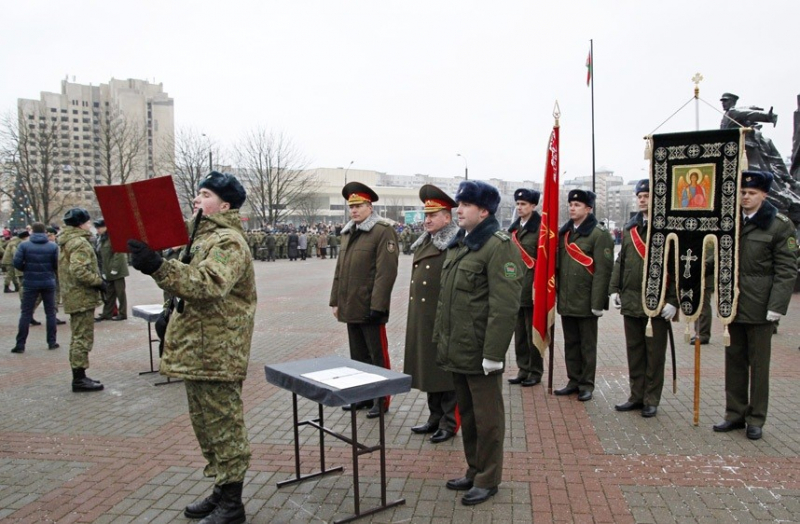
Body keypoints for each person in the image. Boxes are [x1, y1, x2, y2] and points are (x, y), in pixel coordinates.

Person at [128, 171, 256, 522]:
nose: (197, 199)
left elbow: (209, 284)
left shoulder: (228, 241)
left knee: (224, 426)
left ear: (224, 205)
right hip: (196, 348)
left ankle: (233, 504)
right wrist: (169, 313)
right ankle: (220, 488)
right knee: (205, 425)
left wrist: (158, 267)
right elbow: (185, 286)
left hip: (217, 350)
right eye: (197, 194)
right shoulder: (198, 239)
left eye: (205, 194)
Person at [434, 180, 522, 506]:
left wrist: (494, 353)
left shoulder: (498, 246)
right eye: (459, 204)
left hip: (481, 351)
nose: (458, 210)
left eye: (465, 205)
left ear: (483, 210)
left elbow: (505, 305)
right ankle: (474, 469)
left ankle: (488, 479)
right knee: (468, 416)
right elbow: (448, 300)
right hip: (459, 347)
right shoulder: (462, 243)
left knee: (487, 419)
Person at [712, 171, 797, 440]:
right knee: (734, 362)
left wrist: (777, 306)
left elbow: (786, 270)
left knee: (759, 366)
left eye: (751, 193)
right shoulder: (730, 222)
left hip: (761, 307)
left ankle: (756, 418)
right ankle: (734, 414)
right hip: (733, 304)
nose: (746, 197)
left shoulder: (779, 225)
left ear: (764, 195)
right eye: (743, 193)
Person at [329, 181, 399, 418]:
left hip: (370, 307)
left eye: (359, 206)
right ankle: (362, 396)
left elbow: (385, 272)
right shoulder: (349, 232)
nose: (354, 211)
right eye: (351, 207)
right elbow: (340, 269)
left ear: (370, 206)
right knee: (357, 357)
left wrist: (378, 306)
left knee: (376, 356)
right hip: (351, 305)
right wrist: (335, 301)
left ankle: (381, 400)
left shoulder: (382, 231)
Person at [609, 180, 678, 418]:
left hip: (656, 303)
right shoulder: (631, 229)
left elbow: (676, 267)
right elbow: (622, 260)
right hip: (631, 300)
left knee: (654, 354)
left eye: (647, 196)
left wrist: (673, 301)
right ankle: (636, 395)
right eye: (639, 196)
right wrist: (615, 288)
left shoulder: (669, 228)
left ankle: (651, 398)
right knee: (635, 351)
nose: (642, 200)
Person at [403, 184, 460, 444]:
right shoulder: (426, 242)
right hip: (423, 318)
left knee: (444, 372)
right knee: (428, 367)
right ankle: (434, 417)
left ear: (447, 218)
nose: (427, 220)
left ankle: (450, 422)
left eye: (433, 215)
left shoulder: (454, 243)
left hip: (443, 317)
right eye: (426, 215)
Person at [555, 189, 614, 402]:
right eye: (571, 204)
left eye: (577, 205)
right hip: (567, 298)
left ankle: (587, 384)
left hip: (587, 300)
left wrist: (598, 302)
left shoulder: (599, 234)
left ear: (588, 209)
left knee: (587, 346)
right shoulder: (565, 233)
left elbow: (602, 271)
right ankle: (574, 380)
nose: (572, 207)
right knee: (571, 343)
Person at [58, 208, 106, 393]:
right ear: (81, 223)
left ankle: (79, 375)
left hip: (73, 294)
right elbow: (78, 270)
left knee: (78, 336)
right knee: (82, 338)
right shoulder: (79, 243)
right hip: (81, 296)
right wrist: (98, 282)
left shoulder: (66, 240)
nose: (89, 225)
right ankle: (79, 378)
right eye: (87, 222)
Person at [506, 188, 543, 387]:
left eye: (524, 204)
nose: (519, 208)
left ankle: (535, 371)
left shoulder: (541, 229)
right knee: (519, 333)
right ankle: (523, 368)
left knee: (532, 333)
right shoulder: (514, 229)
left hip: (533, 288)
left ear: (533, 206)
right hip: (515, 287)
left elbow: (545, 261)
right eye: (518, 204)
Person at [11, 222, 59, 353]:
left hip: (30, 282)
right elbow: (56, 264)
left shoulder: (24, 245)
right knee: (50, 313)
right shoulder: (53, 246)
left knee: (26, 313)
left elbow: (17, 263)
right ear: (44, 232)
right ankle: (52, 341)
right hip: (48, 282)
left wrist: (26, 269)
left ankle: (20, 344)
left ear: (32, 231)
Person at [94, 219, 129, 321]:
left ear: (106, 227)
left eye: (99, 227)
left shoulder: (113, 237)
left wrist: (115, 268)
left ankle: (122, 314)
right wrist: (104, 271)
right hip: (108, 270)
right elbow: (103, 257)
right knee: (109, 294)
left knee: (120, 293)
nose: (98, 230)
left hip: (117, 271)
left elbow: (118, 253)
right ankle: (107, 313)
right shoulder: (102, 239)